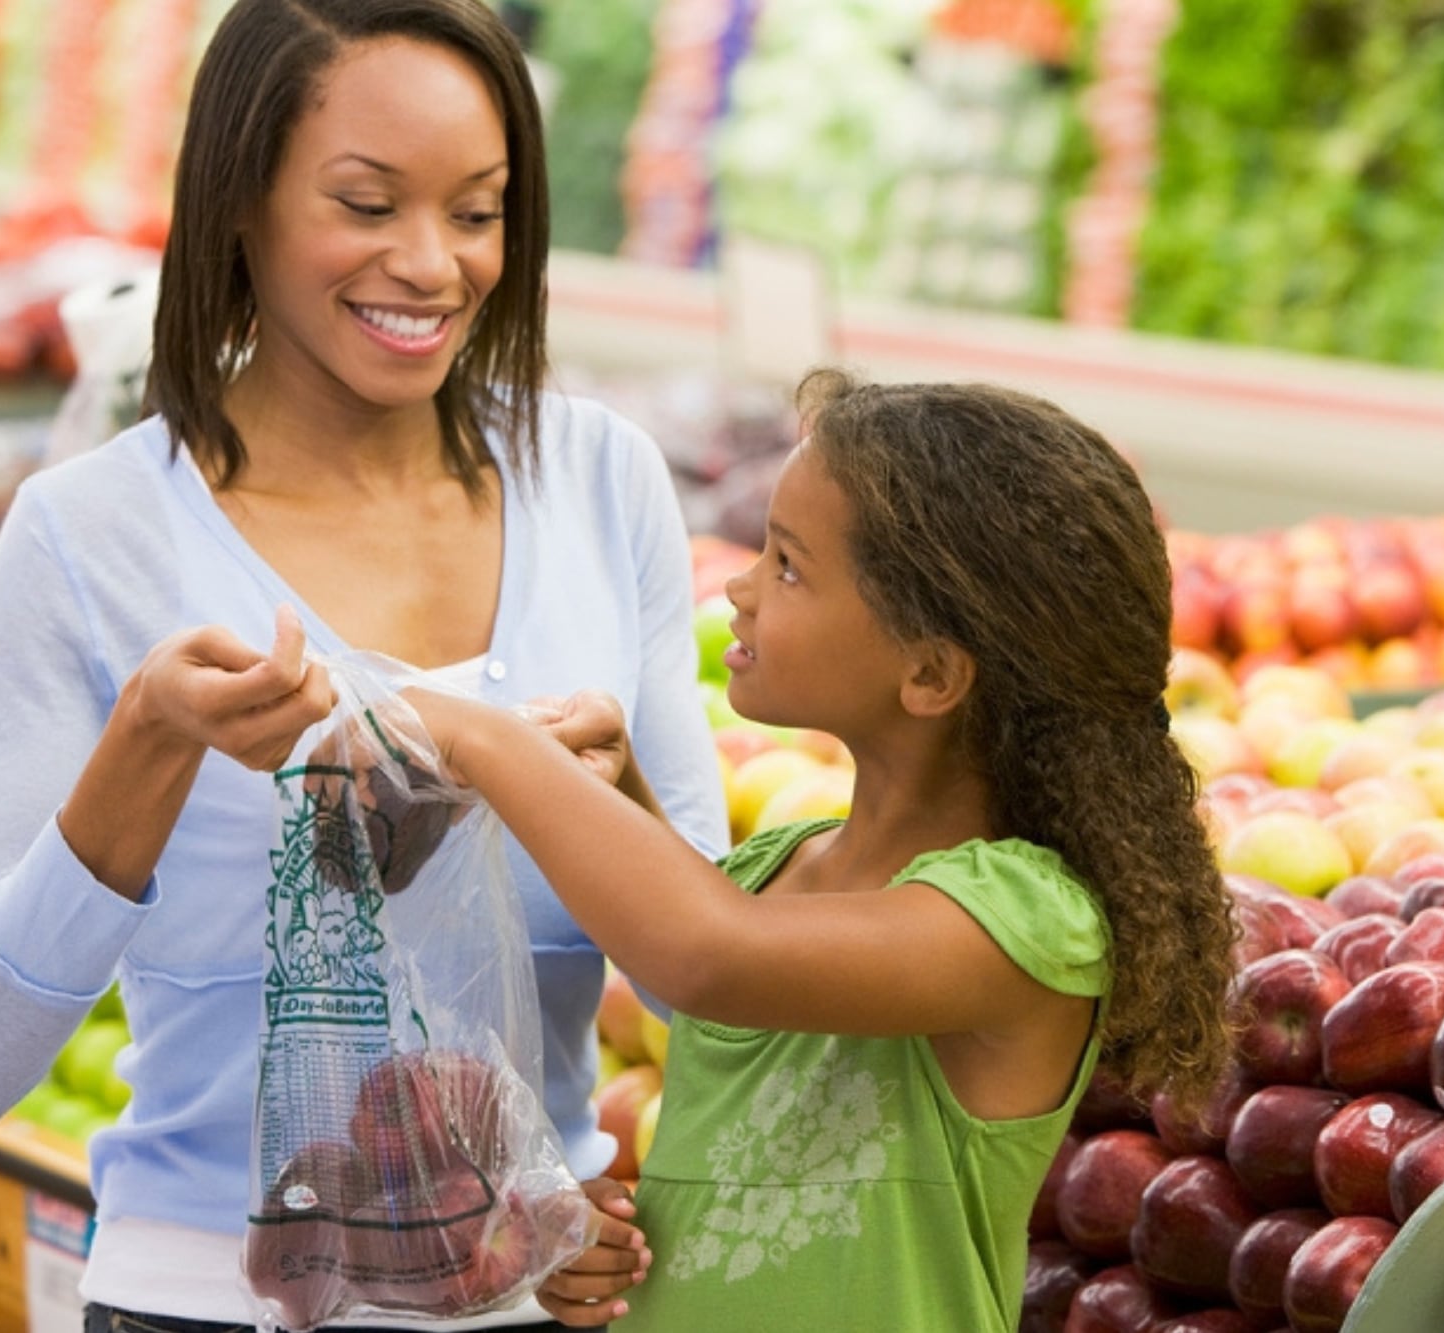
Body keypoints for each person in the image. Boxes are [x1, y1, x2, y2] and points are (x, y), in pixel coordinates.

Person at [0, 1, 726, 1328]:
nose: (431, 264)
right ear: (240, 200)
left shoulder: (600, 481)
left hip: (535, 1303)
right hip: (205, 1302)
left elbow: (719, 996)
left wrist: (616, 796)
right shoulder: (93, 533)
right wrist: (149, 743)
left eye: (477, 213)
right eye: (366, 205)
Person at [401, 368, 1239, 1330]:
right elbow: (707, 983)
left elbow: (707, 956)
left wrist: (481, 736)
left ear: (931, 672)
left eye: (789, 566)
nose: (740, 588)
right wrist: (595, 1241)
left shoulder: (1027, 920)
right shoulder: (781, 866)